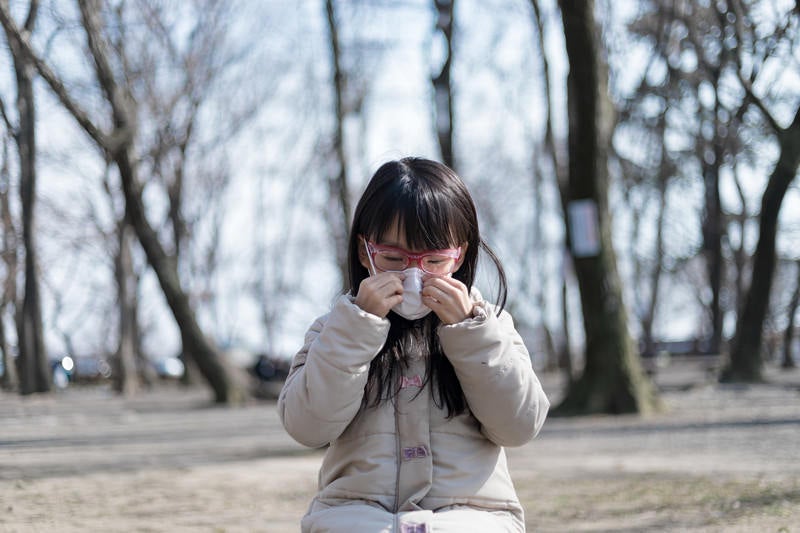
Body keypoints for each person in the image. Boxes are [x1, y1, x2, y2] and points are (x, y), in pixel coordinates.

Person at [278, 157, 550, 532]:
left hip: (474, 514)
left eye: (434, 260)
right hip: (354, 513)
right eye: (393, 258)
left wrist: (470, 332)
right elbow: (307, 427)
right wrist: (358, 329)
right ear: (364, 253)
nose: (413, 275)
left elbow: (519, 426)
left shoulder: (492, 326)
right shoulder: (333, 330)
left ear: (459, 256)